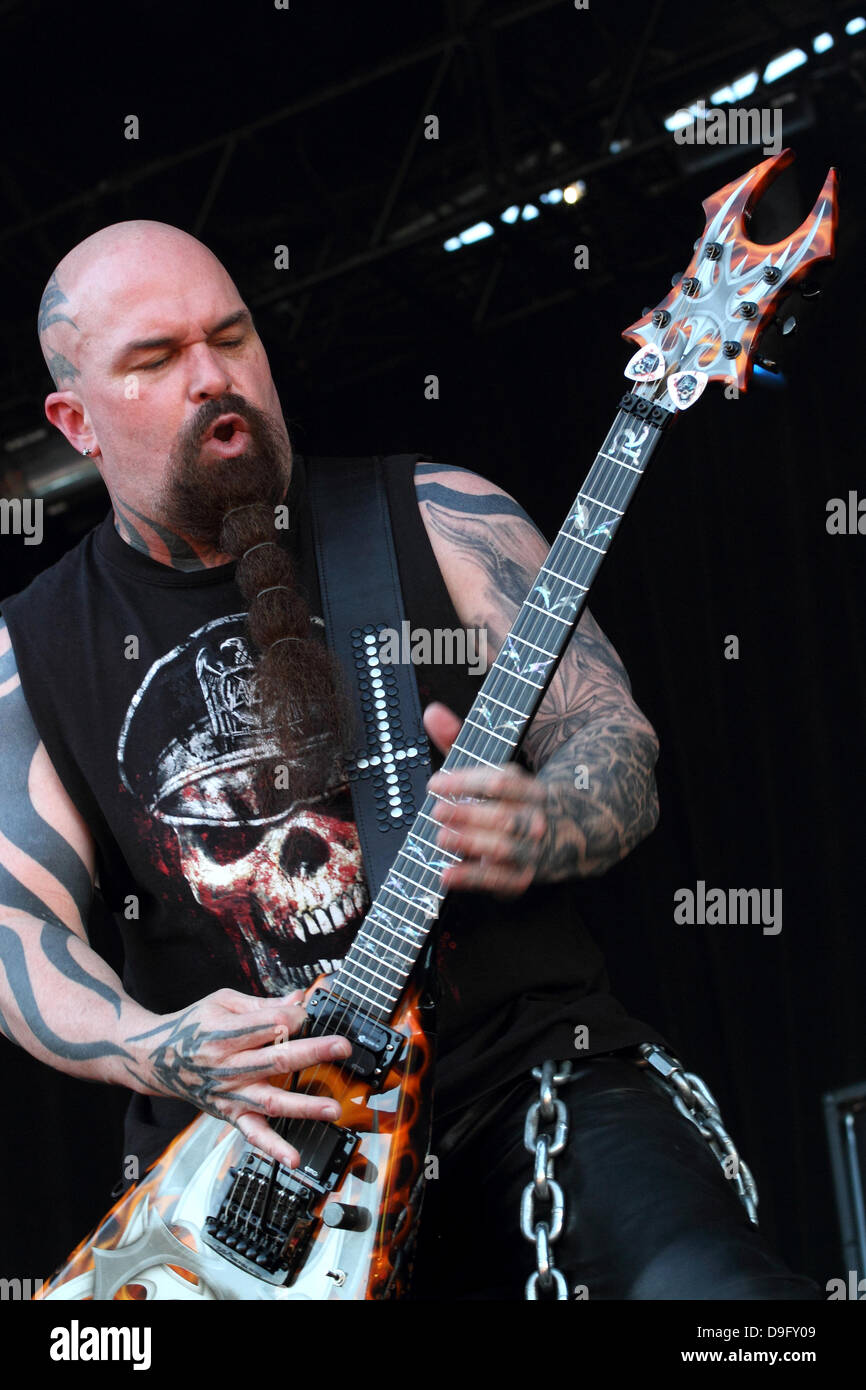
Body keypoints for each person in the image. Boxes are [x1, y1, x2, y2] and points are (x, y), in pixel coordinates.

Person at [0, 220, 819, 1301]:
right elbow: (19, 931)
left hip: (519, 1079)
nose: (211, 377)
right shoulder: (31, 650)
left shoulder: (435, 517)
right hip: (261, 1172)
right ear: (77, 421)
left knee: (714, 1299)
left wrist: (550, 812)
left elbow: (609, 738)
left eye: (232, 337)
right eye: (155, 361)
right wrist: (155, 1043)